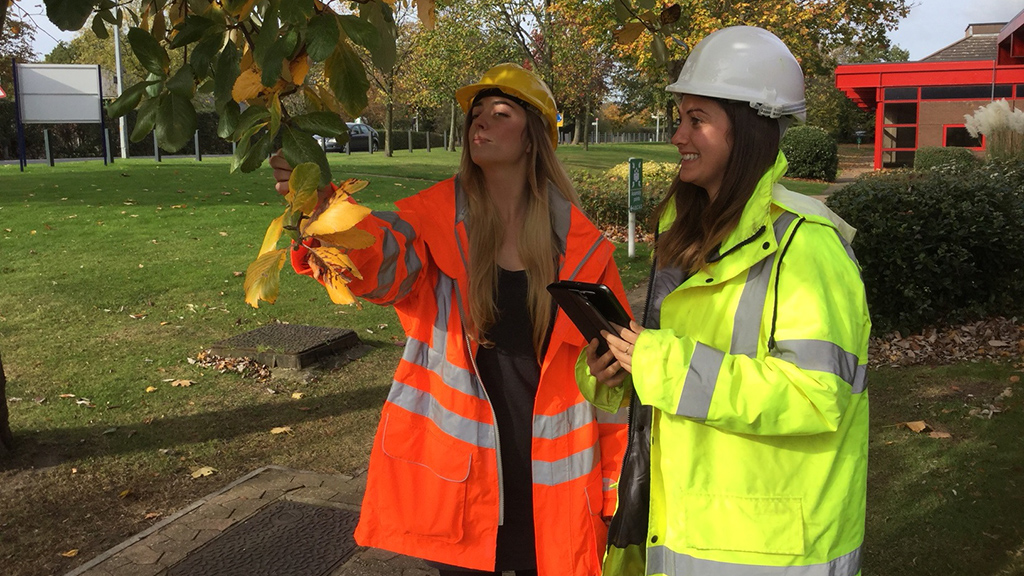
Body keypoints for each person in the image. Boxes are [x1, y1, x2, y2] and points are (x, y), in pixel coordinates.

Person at [270, 63, 629, 576]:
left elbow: (617, 382)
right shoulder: (432, 220)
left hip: (555, 479)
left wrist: (608, 380)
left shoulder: (581, 247)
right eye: (475, 114)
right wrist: (323, 209)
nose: (479, 123)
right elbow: (379, 267)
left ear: (534, 138)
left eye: (499, 113)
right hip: (465, 481)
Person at [578, 27, 870, 576]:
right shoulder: (685, 229)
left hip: (771, 547)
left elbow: (816, 396)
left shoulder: (807, 246)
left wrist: (658, 364)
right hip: (683, 525)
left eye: (697, 119)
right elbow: (665, 358)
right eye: (679, 118)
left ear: (750, 128)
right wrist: (616, 369)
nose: (678, 135)